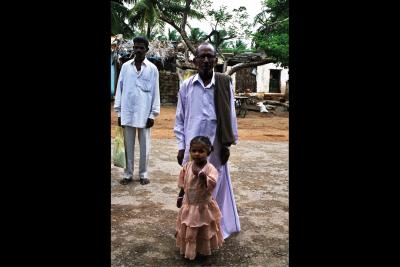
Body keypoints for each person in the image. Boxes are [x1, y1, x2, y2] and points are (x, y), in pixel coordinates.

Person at [174, 42, 240, 239]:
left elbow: (230, 115)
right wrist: (181, 146)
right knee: (191, 186)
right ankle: (190, 227)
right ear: (194, 62)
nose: (205, 60)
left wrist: (227, 144)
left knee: (215, 183)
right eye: (201, 56)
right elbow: (180, 118)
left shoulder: (224, 83)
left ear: (215, 60)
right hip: (192, 147)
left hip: (216, 143)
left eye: (209, 56)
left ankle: (214, 228)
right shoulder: (186, 86)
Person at [114, 36, 160, 185]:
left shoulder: (152, 69)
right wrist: (119, 113)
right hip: (127, 112)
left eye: (141, 47)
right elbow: (119, 90)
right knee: (128, 146)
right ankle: (127, 174)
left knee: (145, 146)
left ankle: (143, 174)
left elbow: (155, 92)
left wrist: (152, 114)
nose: (138, 50)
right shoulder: (126, 67)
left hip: (145, 114)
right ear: (133, 48)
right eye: (136, 47)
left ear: (147, 50)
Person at [175, 136, 224, 260]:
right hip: (189, 204)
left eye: (201, 151)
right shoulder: (187, 166)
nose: (197, 154)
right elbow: (183, 183)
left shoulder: (210, 168)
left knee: (203, 228)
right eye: (194, 151)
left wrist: (202, 175)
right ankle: (190, 250)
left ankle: (202, 250)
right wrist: (181, 195)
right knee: (190, 227)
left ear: (208, 152)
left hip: (203, 207)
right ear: (190, 151)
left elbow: (212, 184)